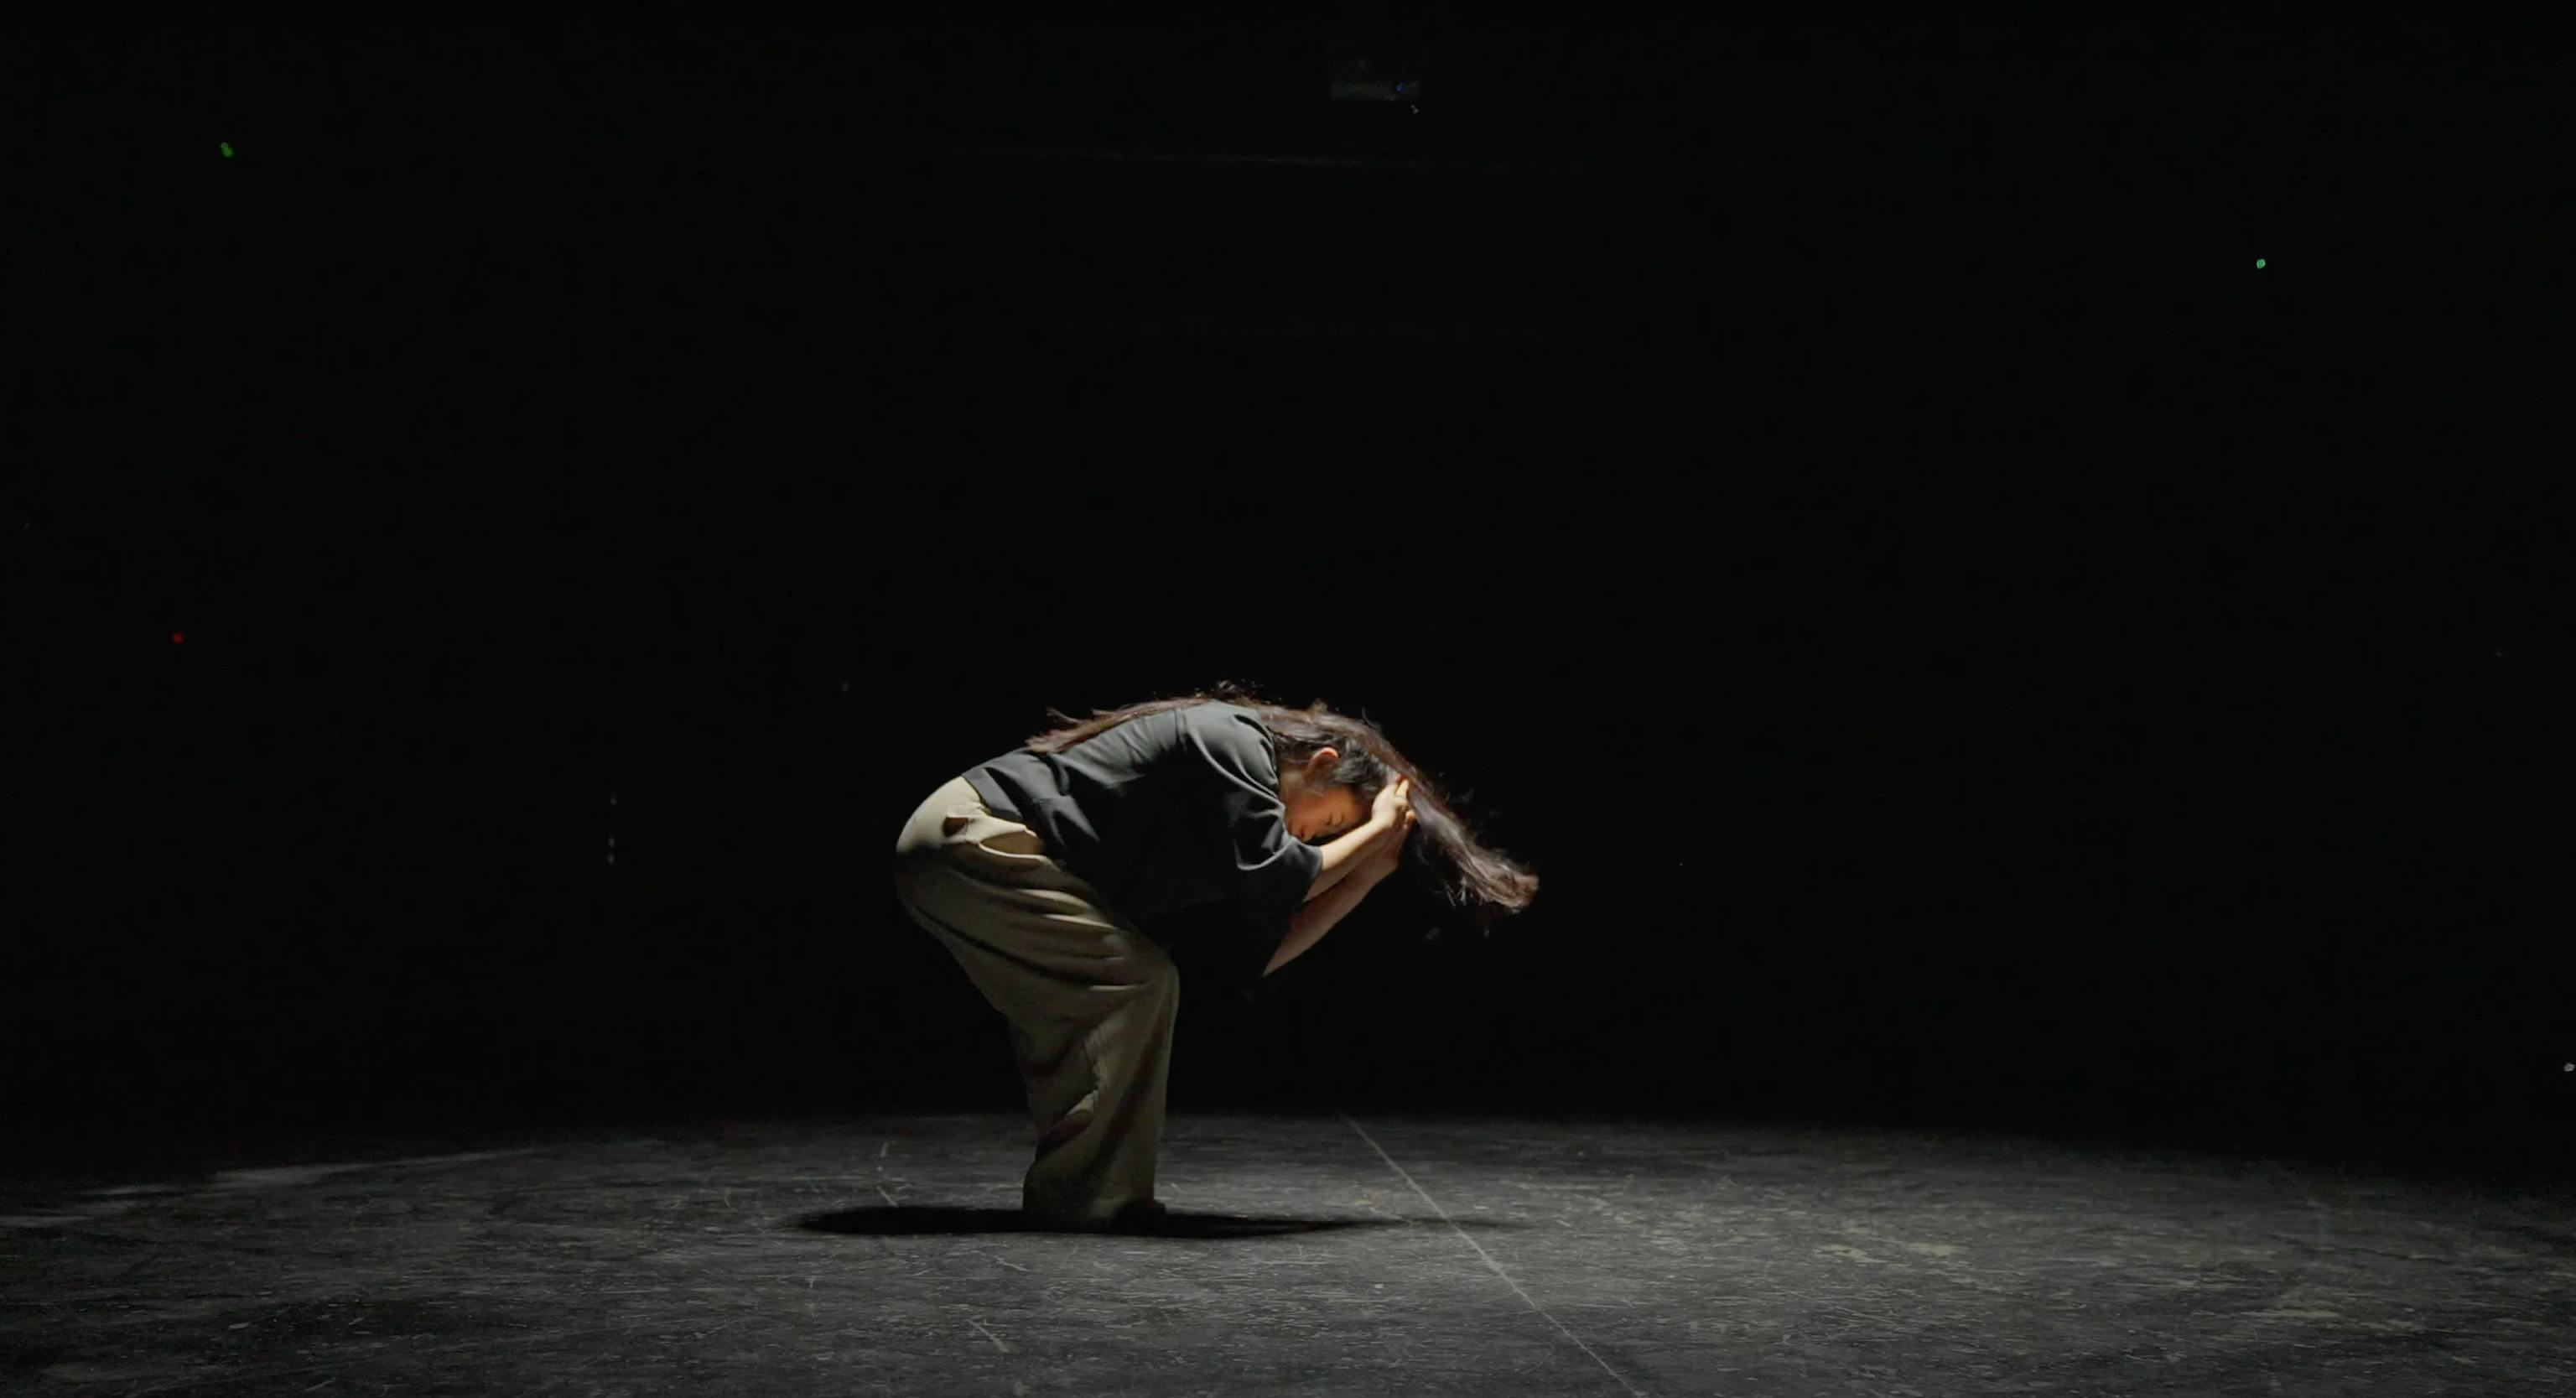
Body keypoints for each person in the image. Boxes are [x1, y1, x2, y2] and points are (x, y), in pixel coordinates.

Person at [888, 682, 1537, 1234]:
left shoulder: (1232, 824)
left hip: (967, 852)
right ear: (1321, 763)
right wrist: (1373, 834)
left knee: (1129, 986)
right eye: (1329, 825)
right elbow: (1290, 874)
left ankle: (1082, 1193)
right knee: (1135, 981)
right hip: (972, 837)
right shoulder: (1232, 738)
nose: (1319, 839)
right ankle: (1086, 1197)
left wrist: (1363, 876)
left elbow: (1255, 955)